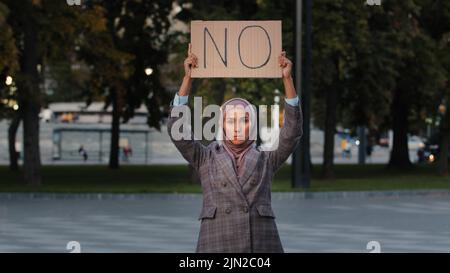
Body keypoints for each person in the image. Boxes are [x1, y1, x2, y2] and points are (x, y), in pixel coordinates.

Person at [167, 44, 303, 253]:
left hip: (260, 244)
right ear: (221, 124)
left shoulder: (266, 159)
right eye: (231, 120)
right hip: (217, 241)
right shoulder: (206, 158)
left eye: (245, 120)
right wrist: (187, 79)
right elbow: (178, 132)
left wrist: (287, 79)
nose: (237, 127)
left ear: (253, 124)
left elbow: (292, 132)